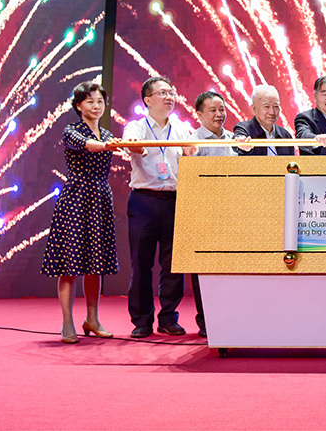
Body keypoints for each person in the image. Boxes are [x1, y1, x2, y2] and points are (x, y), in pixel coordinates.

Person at [41, 81, 120, 344]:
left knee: (95, 265)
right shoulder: (71, 131)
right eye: (90, 101)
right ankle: (67, 322)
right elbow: (88, 145)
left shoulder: (107, 134)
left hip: (100, 198)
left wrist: (134, 147)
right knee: (70, 264)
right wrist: (109, 146)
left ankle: (92, 319)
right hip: (76, 198)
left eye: (100, 101)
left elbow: (123, 148)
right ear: (79, 105)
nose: (96, 106)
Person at [123, 76, 196, 338]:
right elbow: (131, 144)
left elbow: (192, 153)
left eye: (171, 92)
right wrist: (139, 147)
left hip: (174, 201)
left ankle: (168, 318)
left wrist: (191, 149)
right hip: (144, 201)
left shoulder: (181, 127)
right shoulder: (136, 126)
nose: (169, 97)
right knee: (141, 264)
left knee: (173, 264)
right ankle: (142, 321)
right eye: (163, 92)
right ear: (148, 99)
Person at [186, 90, 236, 337]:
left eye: (222, 110)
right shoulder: (192, 141)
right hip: (203, 212)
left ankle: (230, 317)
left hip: (231, 212)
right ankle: (206, 321)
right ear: (199, 114)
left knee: (230, 268)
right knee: (203, 269)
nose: (219, 115)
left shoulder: (235, 139)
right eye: (213, 110)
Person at [233, 85, 295, 156]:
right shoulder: (245, 129)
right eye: (266, 107)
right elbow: (237, 140)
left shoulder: (285, 135)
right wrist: (242, 144)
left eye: (275, 106)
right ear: (254, 109)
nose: (272, 112)